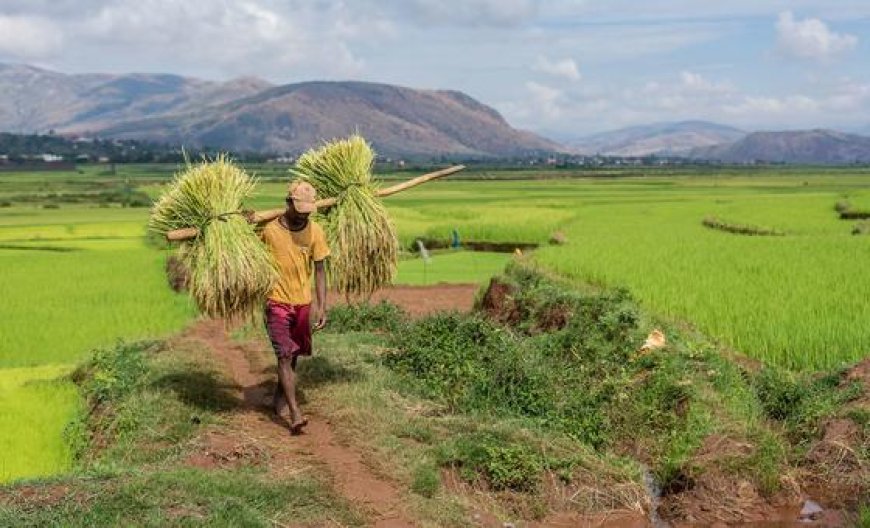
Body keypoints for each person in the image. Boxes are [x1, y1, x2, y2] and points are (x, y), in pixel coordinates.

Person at [252, 180, 329, 434]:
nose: (304, 216)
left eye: (308, 211)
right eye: (300, 210)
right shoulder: (268, 231)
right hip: (276, 302)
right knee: (284, 354)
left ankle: (279, 398)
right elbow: (248, 255)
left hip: (303, 303)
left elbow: (319, 270)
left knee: (293, 354)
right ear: (288, 204)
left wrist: (321, 305)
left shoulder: (315, 231)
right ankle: (295, 413)